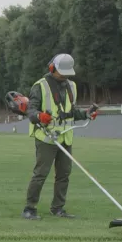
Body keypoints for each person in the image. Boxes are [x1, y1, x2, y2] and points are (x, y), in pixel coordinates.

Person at [22, 53, 98, 220]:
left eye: (66, 73)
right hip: (46, 137)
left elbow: (70, 112)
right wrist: (40, 116)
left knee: (64, 174)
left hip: (65, 137)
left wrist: (85, 114)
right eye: (61, 72)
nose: (64, 76)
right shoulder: (40, 86)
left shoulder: (71, 86)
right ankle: (30, 208)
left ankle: (57, 208)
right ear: (52, 68)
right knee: (41, 173)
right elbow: (31, 110)